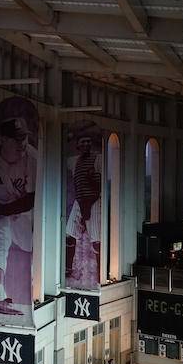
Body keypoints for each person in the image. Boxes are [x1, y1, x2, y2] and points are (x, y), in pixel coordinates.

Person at [0, 102, 37, 316]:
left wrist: (2, 211)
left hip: (19, 209)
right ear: (2, 140)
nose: (21, 143)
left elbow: (31, 200)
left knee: (28, 247)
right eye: (16, 139)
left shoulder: (31, 159)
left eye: (24, 138)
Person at [66, 123, 102, 287]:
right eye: (83, 142)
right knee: (69, 234)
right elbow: (62, 157)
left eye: (89, 141)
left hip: (94, 201)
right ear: (78, 146)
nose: (86, 144)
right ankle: (67, 268)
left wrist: (94, 178)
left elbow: (100, 182)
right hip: (80, 201)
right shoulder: (74, 161)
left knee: (96, 240)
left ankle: (100, 270)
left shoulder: (98, 158)